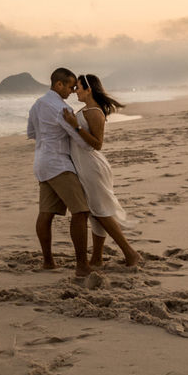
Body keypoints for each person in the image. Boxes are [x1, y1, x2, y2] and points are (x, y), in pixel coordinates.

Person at [61, 74, 141, 267]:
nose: (74, 91)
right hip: (84, 165)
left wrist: (76, 126)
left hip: (91, 166)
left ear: (89, 89)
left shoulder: (95, 112)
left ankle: (130, 253)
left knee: (100, 211)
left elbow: (97, 144)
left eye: (78, 87)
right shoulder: (86, 109)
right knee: (95, 211)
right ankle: (97, 257)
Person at [26, 67, 92, 277]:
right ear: (59, 85)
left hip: (41, 162)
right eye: (71, 86)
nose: (73, 91)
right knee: (80, 211)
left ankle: (48, 262)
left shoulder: (37, 105)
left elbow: (31, 133)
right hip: (58, 164)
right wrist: (80, 130)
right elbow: (81, 141)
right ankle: (82, 265)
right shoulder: (61, 108)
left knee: (46, 213)